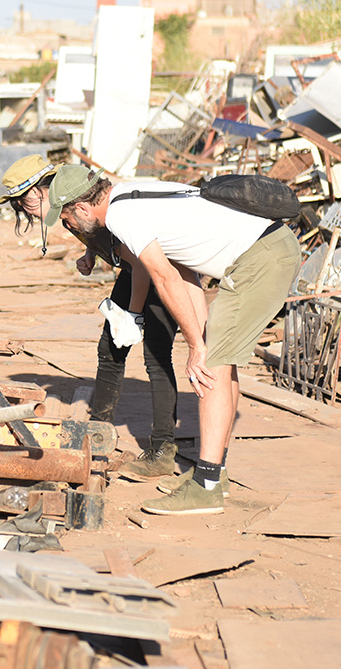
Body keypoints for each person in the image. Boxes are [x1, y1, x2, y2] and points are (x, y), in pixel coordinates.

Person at [46, 164, 301, 515]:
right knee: (218, 360)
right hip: (268, 249)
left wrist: (196, 347)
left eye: (68, 219)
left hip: (260, 258)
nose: (70, 227)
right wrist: (201, 335)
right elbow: (185, 272)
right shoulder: (131, 194)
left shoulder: (121, 216)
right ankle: (215, 475)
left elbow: (164, 278)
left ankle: (206, 488)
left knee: (210, 367)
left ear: (83, 208)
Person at [0, 155, 182, 478]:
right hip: (135, 268)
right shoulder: (65, 210)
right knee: (110, 350)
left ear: (40, 190)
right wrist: (91, 254)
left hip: (162, 268)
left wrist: (132, 315)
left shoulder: (75, 198)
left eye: (25, 203)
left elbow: (142, 263)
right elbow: (95, 232)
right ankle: (98, 431)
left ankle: (163, 451)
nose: (26, 212)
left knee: (156, 356)